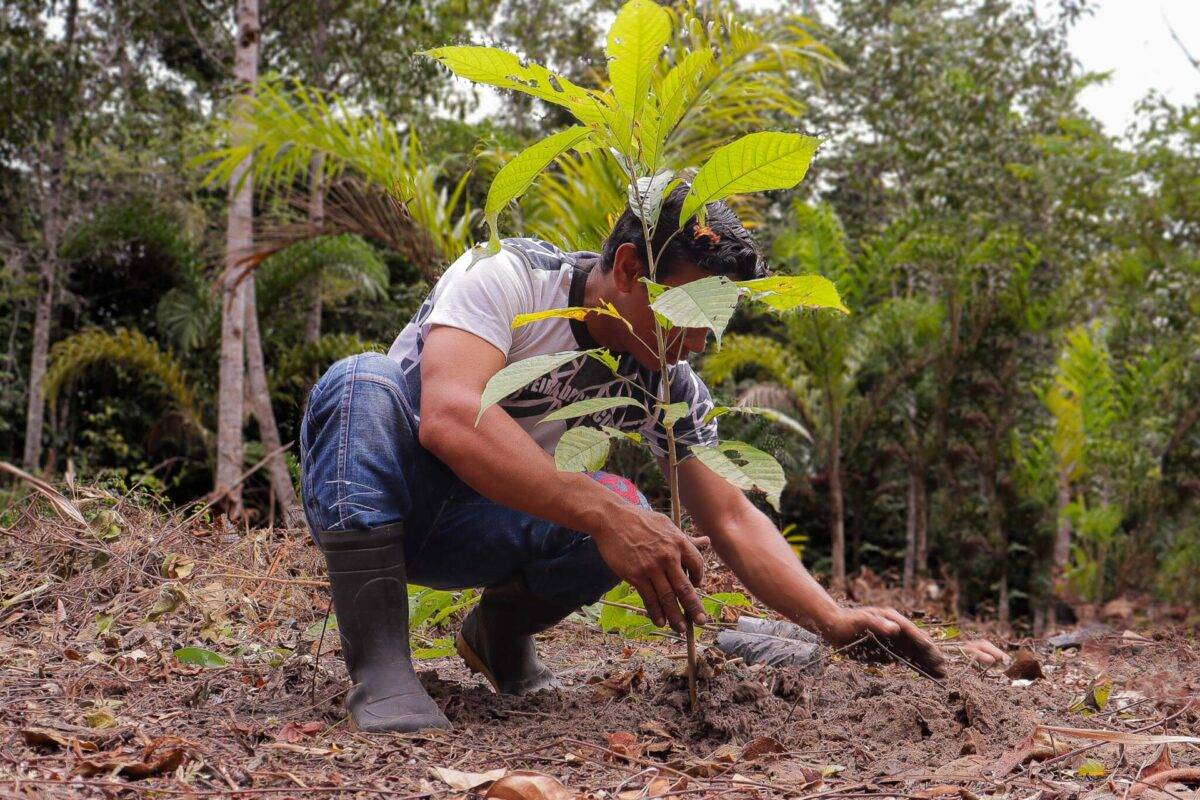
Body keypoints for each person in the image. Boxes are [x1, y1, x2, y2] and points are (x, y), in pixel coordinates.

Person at [299, 185, 1005, 733]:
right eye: (691, 310)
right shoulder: (509, 276)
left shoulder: (670, 386)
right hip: (385, 499)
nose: (703, 339)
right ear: (631, 269)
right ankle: (383, 668)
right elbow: (450, 418)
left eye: (717, 314)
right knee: (361, 381)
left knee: (633, 508)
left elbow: (731, 515)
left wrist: (833, 619)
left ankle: (499, 636)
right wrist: (602, 514)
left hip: (484, 531)